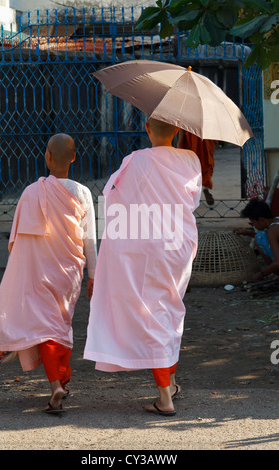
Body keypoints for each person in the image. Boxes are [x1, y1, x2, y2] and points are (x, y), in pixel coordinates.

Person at [84, 118, 202, 416]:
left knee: (151, 313)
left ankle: (165, 397)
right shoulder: (191, 159)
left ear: (147, 128)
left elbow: (112, 197)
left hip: (140, 243)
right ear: (177, 129)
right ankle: (171, 382)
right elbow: (193, 200)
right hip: (177, 242)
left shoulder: (134, 160)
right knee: (169, 308)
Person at [0, 134, 97, 414]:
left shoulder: (30, 192)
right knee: (61, 324)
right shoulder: (83, 193)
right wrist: (93, 275)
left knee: (46, 326)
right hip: (69, 271)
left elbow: (16, 241)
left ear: (46, 157)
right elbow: (90, 240)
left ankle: (56, 383)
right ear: (73, 158)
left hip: (38, 271)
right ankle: (62, 379)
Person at [233, 197, 279, 281]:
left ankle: (276, 272)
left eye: (253, 222)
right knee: (260, 236)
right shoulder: (276, 221)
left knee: (259, 237)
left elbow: (277, 263)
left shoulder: (272, 231)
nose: (254, 226)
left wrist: (261, 274)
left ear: (260, 220)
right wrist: (248, 232)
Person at [177, 129, 215, 205]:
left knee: (190, 167)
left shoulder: (186, 116)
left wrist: (179, 142)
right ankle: (205, 188)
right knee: (206, 164)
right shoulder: (206, 117)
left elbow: (181, 128)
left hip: (190, 139)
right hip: (205, 138)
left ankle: (191, 193)